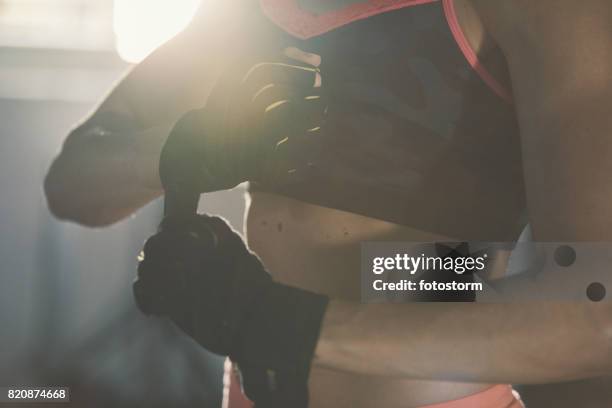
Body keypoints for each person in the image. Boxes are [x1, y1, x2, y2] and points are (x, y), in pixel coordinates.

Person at [44, 1, 612, 407]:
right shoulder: (244, 12)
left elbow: (596, 313)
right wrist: (181, 149)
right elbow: (70, 184)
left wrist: (286, 325)